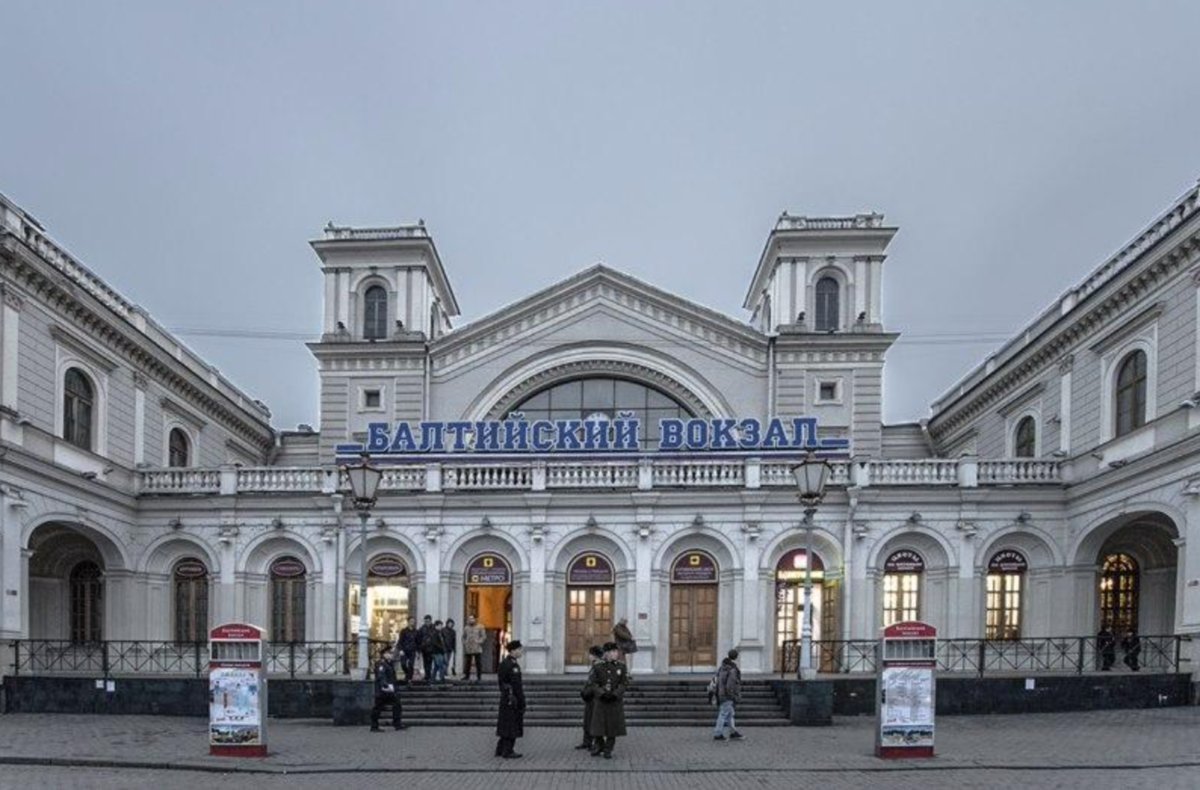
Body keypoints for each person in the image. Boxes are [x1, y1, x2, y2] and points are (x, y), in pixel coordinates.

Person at [588, 642, 628, 758]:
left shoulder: (621, 666)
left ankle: (608, 749)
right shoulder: (598, 666)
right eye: (613, 652)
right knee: (597, 727)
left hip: (615, 701)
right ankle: (600, 745)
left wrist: (616, 694)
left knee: (613, 727)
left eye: (616, 651)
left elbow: (624, 683)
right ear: (606, 653)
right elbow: (593, 683)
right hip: (601, 701)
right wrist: (602, 693)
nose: (616, 654)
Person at [495, 639, 526, 758]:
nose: (521, 652)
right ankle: (508, 751)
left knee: (505, 724)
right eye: (519, 650)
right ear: (513, 651)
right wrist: (522, 701)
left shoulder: (504, 663)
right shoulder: (513, 666)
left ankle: (500, 749)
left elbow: (501, 683)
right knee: (512, 725)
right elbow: (517, 686)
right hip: (512, 699)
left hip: (506, 698)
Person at [369, 644, 406, 732]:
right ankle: (374, 726)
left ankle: (397, 724)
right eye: (389, 653)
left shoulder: (389, 663)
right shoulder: (381, 663)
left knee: (397, 705)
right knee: (378, 708)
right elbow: (381, 676)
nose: (391, 654)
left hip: (390, 690)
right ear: (384, 654)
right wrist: (384, 684)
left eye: (391, 652)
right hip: (383, 690)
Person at [576, 644, 605, 751]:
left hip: (595, 699)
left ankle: (596, 744)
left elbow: (596, 684)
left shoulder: (600, 667)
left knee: (594, 722)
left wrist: (587, 692)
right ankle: (587, 742)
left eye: (590, 654)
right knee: (587, 721)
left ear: (595, 655)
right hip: (589, 699)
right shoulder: (594, 666)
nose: (589, 656)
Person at [713, 649, 743, 741]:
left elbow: (716, 679)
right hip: (727, 695)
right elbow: (730, 685)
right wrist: (733, 696)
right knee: (724, 714)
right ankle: (718, 734)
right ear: (736, 657)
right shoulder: (732, 669)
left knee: (730, 714)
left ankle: (733, 732)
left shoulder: (722, 667)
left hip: (721, 693)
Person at [462, 615, 486, 682]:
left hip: (477, 647)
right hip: (469, 648)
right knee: (467, 663)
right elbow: (463, 636)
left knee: (478, 663)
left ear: (475, 619)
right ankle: (467, 676)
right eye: (469, 619)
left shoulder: (480, 627)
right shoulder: (466, 628)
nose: (471, 620)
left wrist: (479, 641)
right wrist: (465, 643)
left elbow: (483, 636)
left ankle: (479, 676)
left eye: (472, 619)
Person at [396, 617, 419, 683]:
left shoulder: (416, 631)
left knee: (411, 664)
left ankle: (409, 679)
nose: (412, 622)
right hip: (404, 650)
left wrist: (417, 651)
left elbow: (418, 642)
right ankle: (407, 674)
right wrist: (400, 650)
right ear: (408, 622)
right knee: (403, 664)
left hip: (412, 650)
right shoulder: (403, 631)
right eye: (411, 621)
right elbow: (400, 641)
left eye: (413, 621)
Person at [418, 615, 436, 683]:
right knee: (425, 663)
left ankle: (429, 675)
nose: (427, 622)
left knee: (430, 662)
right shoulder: (422, 628)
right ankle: (427, 675)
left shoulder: (434, 628)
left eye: (428, 621)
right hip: (424, 649)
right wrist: (420, 647)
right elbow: (419, 638)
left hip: (432, 648)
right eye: (426, 621)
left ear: (431, 621)